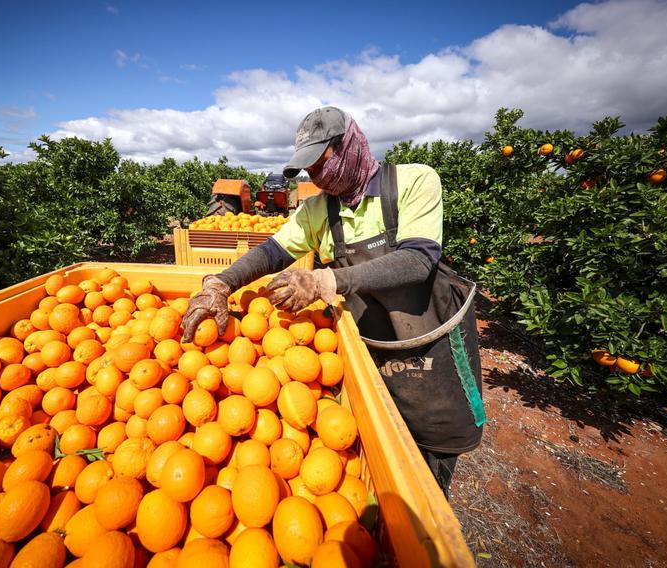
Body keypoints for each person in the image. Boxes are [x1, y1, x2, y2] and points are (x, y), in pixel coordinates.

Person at [181, 106, 486, 498]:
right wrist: (221, 284)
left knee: (428, 464)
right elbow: (273, 252)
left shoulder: (414, 181)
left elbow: (418, 259)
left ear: (349, 146)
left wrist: (328, 278)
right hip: (371, 354)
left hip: (431, 348)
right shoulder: (318, 209)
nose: (316, 177)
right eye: (309, 171)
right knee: (379, 454)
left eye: (320, 163)